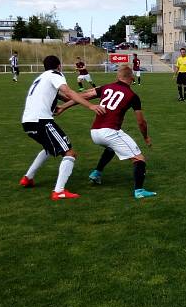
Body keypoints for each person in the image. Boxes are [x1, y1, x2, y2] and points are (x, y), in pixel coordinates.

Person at [56, 65, 156, 199]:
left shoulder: (105, 87)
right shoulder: (133, 96)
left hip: (95, 132)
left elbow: (84, 95)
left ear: (117, 77)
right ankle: (139, 191)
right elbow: (141, 122)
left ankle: (96, 173)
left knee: (111, 148)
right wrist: (146, 137)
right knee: (139, 159)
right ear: (132, 78)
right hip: (109, 132)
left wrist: (63, 106)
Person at [19, 55, 105, 200]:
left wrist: (90, 96)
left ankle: (27, 178)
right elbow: (68, 92)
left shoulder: (41, 78)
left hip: (27, 122)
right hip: (41, 120)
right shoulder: (55, 74)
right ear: (58, 66)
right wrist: (91, 105)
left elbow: (65, 98)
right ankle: (59, 191)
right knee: (69, 153)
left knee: (48, 149)